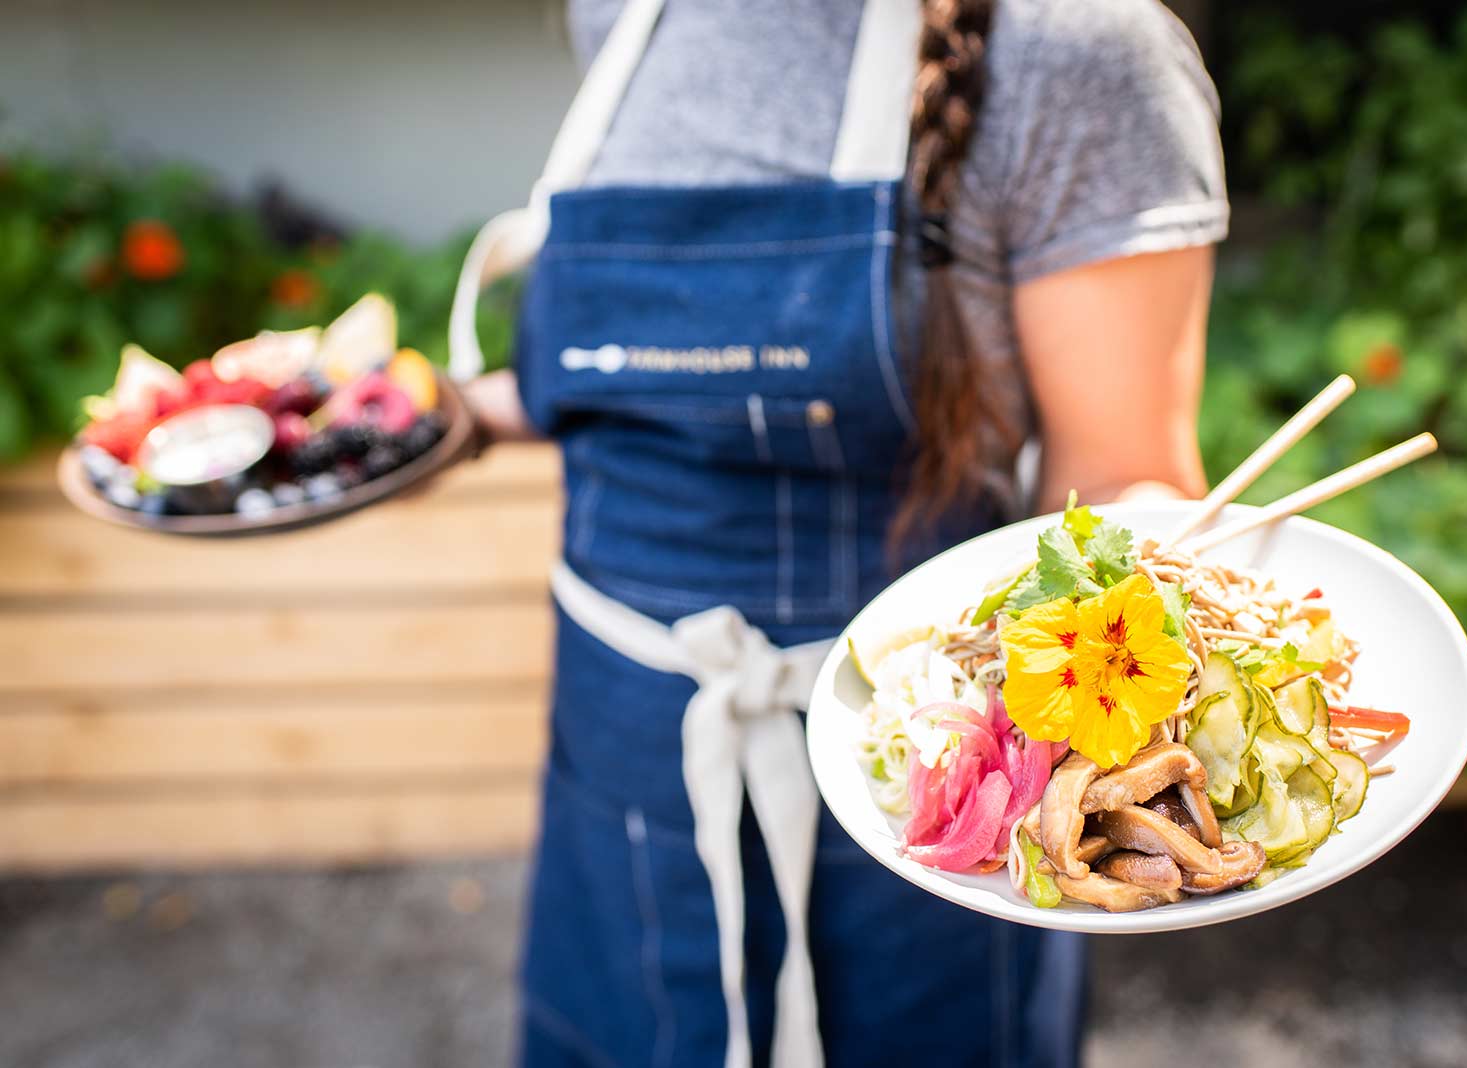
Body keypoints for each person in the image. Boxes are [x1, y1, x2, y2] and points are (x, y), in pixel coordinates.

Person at [449, 1, 1226, 1064]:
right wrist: (442, 415)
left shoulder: (1074, 49)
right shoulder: (623, 13)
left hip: (923, 781)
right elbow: (654, 372)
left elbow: (1123, 473)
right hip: (618, 755)